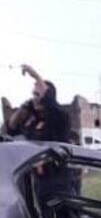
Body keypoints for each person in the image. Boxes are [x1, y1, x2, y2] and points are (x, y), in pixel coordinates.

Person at [5, 65, 73, 208]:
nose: (34, 98)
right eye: (33, 94)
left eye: (37, 94)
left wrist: (35, 75)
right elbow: (10, 129)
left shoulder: (59, 117)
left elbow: (50, 102)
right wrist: (22, 109)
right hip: (40, 180)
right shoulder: (33, 121)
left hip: (58, 180)